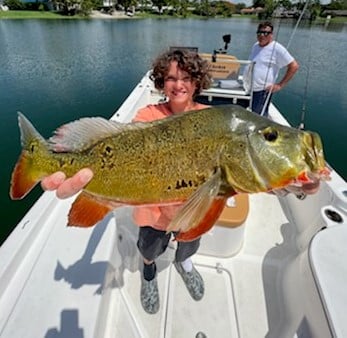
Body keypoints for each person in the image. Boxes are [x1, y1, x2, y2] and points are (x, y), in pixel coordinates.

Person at [41, 49, 213, 315]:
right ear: (161, 82)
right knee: (149, 248)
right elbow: (128, 146)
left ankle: (185, 263)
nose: (178, 84)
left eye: (186, 77)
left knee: (189, 244)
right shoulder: (147, 115)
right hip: (154, 214)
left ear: (197, 81)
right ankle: (148, 272)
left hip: (194, 213)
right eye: (170, 78)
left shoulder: (211, 119)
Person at [243, 21, 299, 117]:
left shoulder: (277, 48)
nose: (262, 35)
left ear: (271, 34)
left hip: (262, 91)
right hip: (249, 88)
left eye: (266, 33)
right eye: (259, 32)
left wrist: (280, 85)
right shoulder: (256, 46)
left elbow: (294, 66)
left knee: (259, 118)